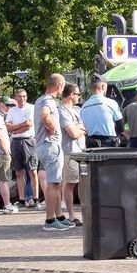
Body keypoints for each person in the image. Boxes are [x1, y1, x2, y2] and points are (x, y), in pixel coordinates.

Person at [34, 74, 72, 231]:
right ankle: (50, 220)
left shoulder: (40, 99)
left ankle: (59, 216)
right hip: (50, 146)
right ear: (59, 86)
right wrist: (52, 127)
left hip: (45, 146)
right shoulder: (48, 100)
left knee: (56, 182)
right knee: (54, 183)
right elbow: (44, 115)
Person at [58, 82, 86, 227]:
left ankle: (84, 212)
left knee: (83, 182)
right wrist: (79, 129)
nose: (79, 97)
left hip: (81, 151)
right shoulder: (62, 111)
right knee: (70, 183)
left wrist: (79, 129)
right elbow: (73, 133)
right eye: (78, 94)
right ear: (71, 95)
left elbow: (83, 127)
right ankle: (71, 215)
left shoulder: (76, 109)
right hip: (69, 152)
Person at [6, 88, 39, 209]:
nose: (22, 99)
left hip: (28, 140)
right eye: (19, 96)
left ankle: (35, 198)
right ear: (15, 98)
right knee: (18, 172)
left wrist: (15, 129)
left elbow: (29, 125)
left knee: (32, 170)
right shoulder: (12, 110)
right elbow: (7, 128)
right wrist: (20, 126)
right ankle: (21, 199)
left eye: (24, 96)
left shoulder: (31, 108)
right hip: (15, 141)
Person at [80, 78, 122, 149]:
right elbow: (120, 124)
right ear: (103, 86)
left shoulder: (83, 107)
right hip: (108, 143)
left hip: (91, 144)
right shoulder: (111, 103)